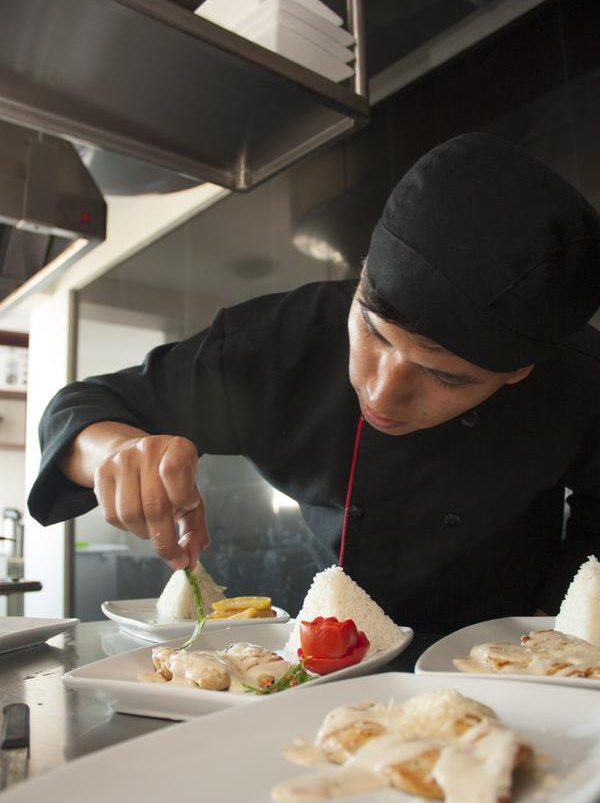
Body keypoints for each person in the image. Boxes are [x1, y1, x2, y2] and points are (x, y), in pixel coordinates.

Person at [28, 133, 600, 633]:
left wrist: (562, 627)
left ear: (518, 373)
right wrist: (118, 450)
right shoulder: (277, 344)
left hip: (512, 655)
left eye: (442, 376)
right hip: (327, 649)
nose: (380, 393)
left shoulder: (582, 381)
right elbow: (83, 405)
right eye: (374, 334)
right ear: (361, 280)